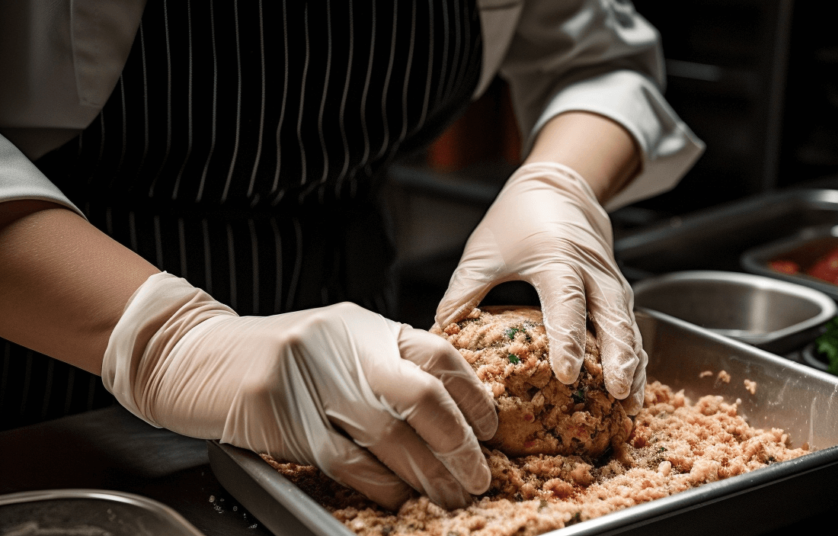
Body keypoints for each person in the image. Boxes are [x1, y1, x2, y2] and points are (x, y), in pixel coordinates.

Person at [0, 0, 703, 510]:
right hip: (59, 372)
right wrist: (168, 341)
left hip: (367, 344)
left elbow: (602, 60)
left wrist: (559, 180)